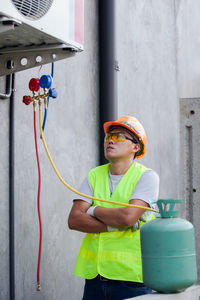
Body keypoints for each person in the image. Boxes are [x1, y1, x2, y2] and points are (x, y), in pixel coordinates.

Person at [68, 116, 159, 300]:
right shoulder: (95, 175)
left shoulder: (147, 177)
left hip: (132, 282)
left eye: (118, 137)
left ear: (136, 147)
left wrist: (93, 210)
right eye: (108, 136)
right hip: (94, 280)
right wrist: (113, 225)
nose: (110, 140)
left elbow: (127, 218)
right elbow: (74, 219)